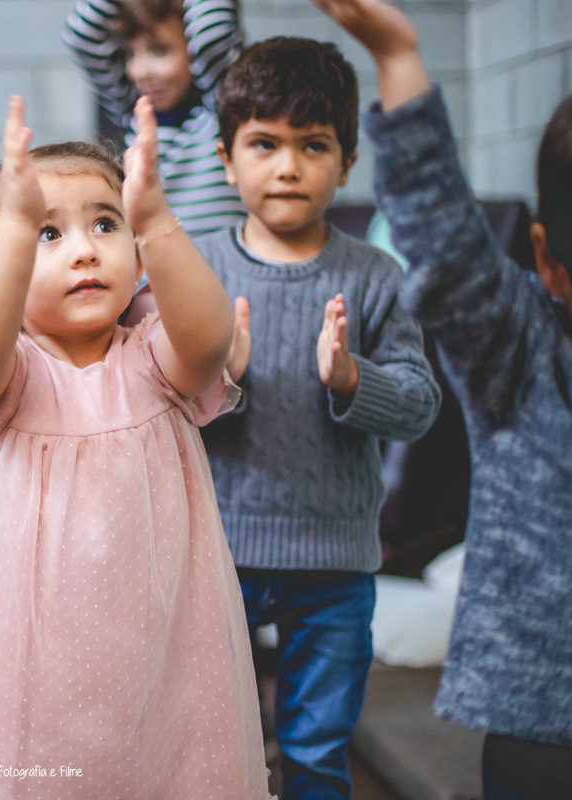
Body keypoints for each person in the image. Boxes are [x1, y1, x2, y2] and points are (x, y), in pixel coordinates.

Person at [0, 95, 268, 800]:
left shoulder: (152, 362)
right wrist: (12, 223)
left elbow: (206, 340)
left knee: (164, 766)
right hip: (26, 669)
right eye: (47, 234)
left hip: (160, 653)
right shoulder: (11, 374)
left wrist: (156, 222)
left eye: (106, 224)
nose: (84, 249)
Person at [311, 0, 572, 796]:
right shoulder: (521, 350)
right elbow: (443, 234)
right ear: (549, 262)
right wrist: (396, 53)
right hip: (542, 730)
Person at [193, 35, 441, 799]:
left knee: (316, 754)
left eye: (314, 144)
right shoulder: (194, 267)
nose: (289, 165)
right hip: (217, 558)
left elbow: (421, 405)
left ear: (348, 160)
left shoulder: (375, 277)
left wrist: (350, 376)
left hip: (335, 566)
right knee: (205, 746)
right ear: (227, 158)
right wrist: (216, 376)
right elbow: (152, 404)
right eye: (264, 143)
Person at [63, 0, 246, 235]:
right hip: (152, 271)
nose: (139, 71)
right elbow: (81, 36)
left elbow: (211, 36)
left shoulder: (221, 107)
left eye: (159, 50)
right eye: (131, 53)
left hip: (215, 271)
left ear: (194, 52)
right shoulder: (131, 108)